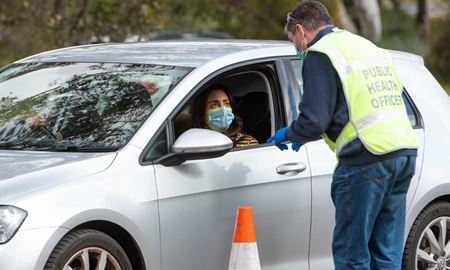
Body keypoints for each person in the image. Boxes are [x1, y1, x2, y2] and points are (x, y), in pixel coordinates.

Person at [267, 1, 418, 269]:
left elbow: (313, 121)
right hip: (403, 150)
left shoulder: (320, 54)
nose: (299, 49)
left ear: (300, 30)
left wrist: (289, 134)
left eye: (294, 42)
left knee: (352, 255)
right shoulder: (365, 46)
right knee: (386, 254)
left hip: (366, 159)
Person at [191, 84, 258, 148]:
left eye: (226, 104)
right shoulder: (191, 143)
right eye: (214, 105)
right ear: (202, 114)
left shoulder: (248, 143)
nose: (223, 109)